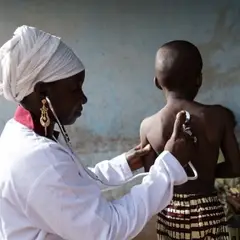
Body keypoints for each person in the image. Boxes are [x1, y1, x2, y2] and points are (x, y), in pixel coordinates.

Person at [0, 26, 196, 240]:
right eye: (75, 88)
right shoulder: (37, 159)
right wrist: (168, 167)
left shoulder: (18, 133)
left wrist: (124, 165)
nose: (83, 98)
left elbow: (70, 186)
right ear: (43, 93)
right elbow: (109, 228)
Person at [140, 40, 240, 240]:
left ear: (157, 82)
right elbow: (236, 167)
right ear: (199, 79)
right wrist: (208, 172)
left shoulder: (148, 126)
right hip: (209, 211)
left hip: (170, 214)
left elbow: (153, 178)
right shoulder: (218, 117)